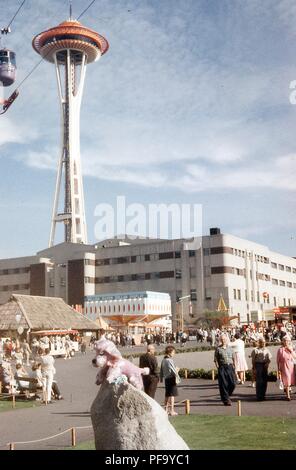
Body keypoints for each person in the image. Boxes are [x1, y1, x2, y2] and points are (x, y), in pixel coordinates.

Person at [214, 334, 236, 406]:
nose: (223, 340)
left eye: (225, 339)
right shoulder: (218, 349)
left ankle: (227, 395)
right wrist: (218, 367)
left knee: (232, 383)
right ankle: (226, 400)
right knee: (224, 384)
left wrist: (235, 366)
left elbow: (234, 358)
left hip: (230, 367)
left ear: (227, 340)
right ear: (220, 340)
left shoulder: (230, 348)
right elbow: (215, 359)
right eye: (222, 339)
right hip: (222, 367)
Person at [160, 345, 180, 416]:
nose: (174, 353)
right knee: (172, 395)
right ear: (170, 352)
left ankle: (165, 410)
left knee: (167, 394)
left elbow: (161, 370)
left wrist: (161, 378)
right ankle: (172, 410)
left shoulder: (163, 360)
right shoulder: (170, 360)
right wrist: (177, 370)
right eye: (173, 352)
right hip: (171, 378)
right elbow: (174, 371)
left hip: (166, 379)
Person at [277, 337, 296, 401]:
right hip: (284, 367)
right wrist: (278, 369)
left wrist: (290, 350)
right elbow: (278, 360)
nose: (286, 342)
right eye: (285, 341)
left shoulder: (291, 348)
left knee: (291, 380)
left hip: (291, 366)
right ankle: (288, 396)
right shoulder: (280, 349)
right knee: (287, 380)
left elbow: (295, 357)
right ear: (283, 341)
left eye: (287, 341)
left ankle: (288, 392)